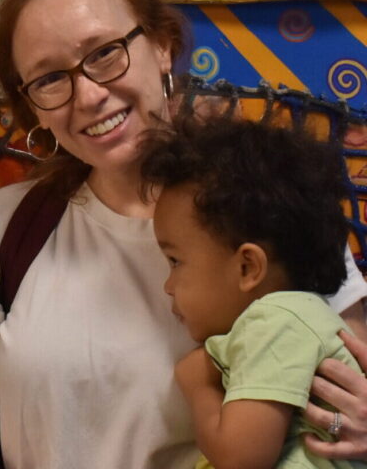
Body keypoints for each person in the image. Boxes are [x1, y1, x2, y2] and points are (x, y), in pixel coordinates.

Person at [0, 0, 367, 468]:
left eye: (104, 52)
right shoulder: (1, 227)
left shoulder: (273, 204)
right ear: (31, 104)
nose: (87, 95)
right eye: (50, 78)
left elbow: (349, 391)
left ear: (162, 45)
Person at [142, 116, 366, 468]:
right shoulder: (293, 318)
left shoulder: (276, 322)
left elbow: (241, 459)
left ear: (248, 267)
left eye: (175, 261)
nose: (168, 286)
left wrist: (199, 386)